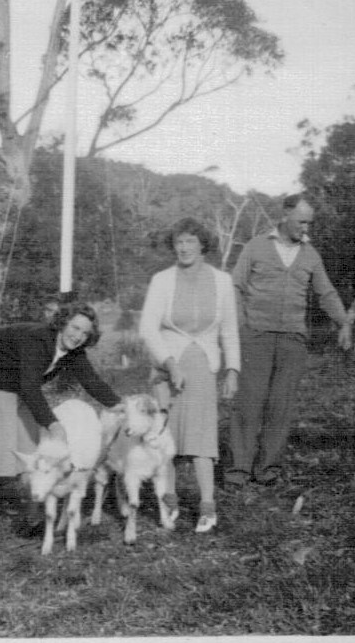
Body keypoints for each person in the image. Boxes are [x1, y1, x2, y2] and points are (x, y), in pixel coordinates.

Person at [0, 302, 121, 555]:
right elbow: (30, 389)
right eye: (74, 328)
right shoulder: (37, 341)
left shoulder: (74, 352)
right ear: (62, 323)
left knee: (30, 446)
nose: (78, 336)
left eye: (85, 333)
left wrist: (121, 406)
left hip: (17, 381)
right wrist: (53, 424)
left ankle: (33, 518)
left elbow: (92, 382)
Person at [226, 194, 352, 489]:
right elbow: (235, 287)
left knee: (280, 406)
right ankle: (238, 472)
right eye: (300, 221)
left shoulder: (311, 255)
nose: (305, 228)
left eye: (309, 223)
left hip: (293, 339)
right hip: (255, 336)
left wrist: (343, 322)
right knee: (249, 405)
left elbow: (326, 293)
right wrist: (241, 326)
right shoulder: (256, 247)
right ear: (284, 216)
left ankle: (268, 469)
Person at [139, 217, 239, 533]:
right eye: (179, 242)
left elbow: (229, 330)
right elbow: (147, 329)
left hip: (204, 366)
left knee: (201, 438)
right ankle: (168, 499)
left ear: (203, 245)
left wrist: (233, 369)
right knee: (164, 436)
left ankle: (207, 506)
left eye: (190, 242)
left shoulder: (222, 281)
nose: (183, 248)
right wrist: (169, 364)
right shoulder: (162, 280)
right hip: (166, 365)